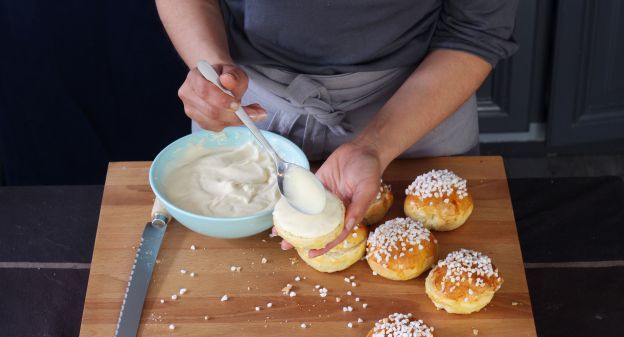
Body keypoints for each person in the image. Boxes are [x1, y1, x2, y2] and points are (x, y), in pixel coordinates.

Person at [155, 0, 518, 255]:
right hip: (248, 111)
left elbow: (476, 29)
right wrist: (215, 72)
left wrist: (375, 145)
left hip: (417, 112)